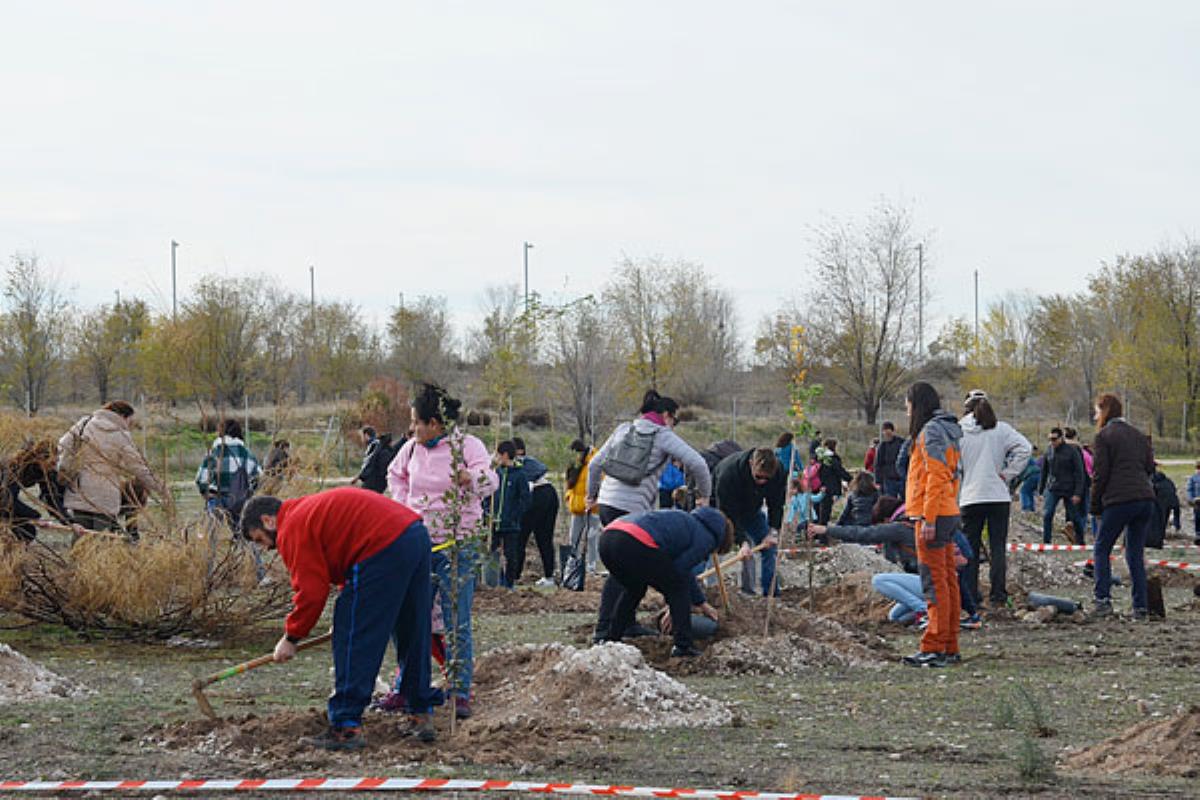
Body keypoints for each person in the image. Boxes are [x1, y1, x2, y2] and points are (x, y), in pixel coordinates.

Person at [240, 488, 436, 748]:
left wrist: (291, 637)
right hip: (413, 534)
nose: (267, 548)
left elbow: (312, 592)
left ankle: (346, 726)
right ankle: (420, 713)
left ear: (268, 520)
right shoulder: (307, 510)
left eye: (260, 539)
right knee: (411, 628)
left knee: (353, 637)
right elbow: (347, 555)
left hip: (382, 545)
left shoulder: (291, 528)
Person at [387, 383, 498, 719]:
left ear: (434, 423)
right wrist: (405, 508)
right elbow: (395, 477)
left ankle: (460, 691)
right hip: (419, 543)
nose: (412, 429)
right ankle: (407, 687)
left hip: (457, 545)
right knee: (411, 617)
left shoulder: (467, 446)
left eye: (416, 422)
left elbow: (490, 481)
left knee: (455, 620)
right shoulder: (411, 449)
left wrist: (470, 477)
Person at [586, 390, 712, 641]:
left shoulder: (623, 430)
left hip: (608, 503)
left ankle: (624, 624)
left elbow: (594, 464)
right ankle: (605, 628)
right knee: (622, 572)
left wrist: (592, 495)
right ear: (666, 415)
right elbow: (698, 463)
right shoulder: (662, 435)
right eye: (674, 420)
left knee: (627, 571)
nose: (673, 425)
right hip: (632, 511)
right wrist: (705, 497)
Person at [810, 497, 976, 629]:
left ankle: (926, 611)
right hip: (944, 583)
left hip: (935, 583)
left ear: (885, 519)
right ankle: (933, 611)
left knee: (879, 580)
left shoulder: (899, 528)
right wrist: (971, 609)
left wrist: (826, 530)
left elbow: (862, 533)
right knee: (895, 617)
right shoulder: (919, 521)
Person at [595, 506, 732, 657]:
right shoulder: (707, 537)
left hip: (609, 537)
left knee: (634, 588)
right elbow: (681, 572)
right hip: (634, 541)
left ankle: (612, 638)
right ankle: (683, 646)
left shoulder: (686, 521)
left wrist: (701, 603)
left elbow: (683, 571)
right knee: (679, 589)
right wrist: (674, 606)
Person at [902, 381, 963, 668]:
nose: (906, 410)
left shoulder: (930, 432)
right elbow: (953, 474)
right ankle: (949, 644)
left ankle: (934, 646)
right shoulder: (948, 430)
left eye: (907, 404)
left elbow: (936, 475)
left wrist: (928, 516)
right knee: (947, 580)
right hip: (947, 511)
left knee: (935, 583)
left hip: (934, 515)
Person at [958, 390, 1031, 611]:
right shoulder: (1001, 429)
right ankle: (998, 595)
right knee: (997, 547)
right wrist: (1008, 473)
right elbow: (1025, 448)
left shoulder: (959, 431)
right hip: (998, 495)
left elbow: (954, 466)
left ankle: (972, 597)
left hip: (970, 496)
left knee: (970, 549)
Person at [1088, 393, 1155, 619]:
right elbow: (1149, 467)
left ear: (1104, 411)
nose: (1095, 416)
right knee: (1135, 554)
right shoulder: (1139, 435)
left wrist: (1095, 506)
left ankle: (1103, 601)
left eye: (1096, 411)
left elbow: (1100, 474)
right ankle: (1140, 607)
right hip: (1145, 499)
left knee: (1101, 549)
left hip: (1119, 500)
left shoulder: (1104, 436)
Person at [57, 401, 163, 534]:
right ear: (123, 416)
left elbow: (63, 444)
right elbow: (137, 467)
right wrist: (160, 487)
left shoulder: (84, 424)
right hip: (105, 494)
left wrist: (68, 465)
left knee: (81, 537)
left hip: (79, 489)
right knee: (103, 537)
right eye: (130, 420)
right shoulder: (121, 435)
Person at [713, 448, 786, 597]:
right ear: (751, 463)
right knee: (714, 548)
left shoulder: (778, 472)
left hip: (752, 511)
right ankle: (709, 590)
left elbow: (776, 504)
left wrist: (773, 531)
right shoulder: (729, 473)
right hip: (722, 511)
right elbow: (727, 512)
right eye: (758, 477)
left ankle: (771, 595)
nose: (762, 481)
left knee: (770, 548)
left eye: (767, 479)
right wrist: (742, 541)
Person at [511, 437, 559, 588]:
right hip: (550, 492)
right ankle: (549, 576)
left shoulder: (517, 464)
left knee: (520, 536)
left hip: (537, 496)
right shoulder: (532, 462)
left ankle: (514, 576)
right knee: (545, 537)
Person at [196, 419, 263, 524]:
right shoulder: (247, 454)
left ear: (220, 433)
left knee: (214, 531)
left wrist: (206, 494)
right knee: (239, 531)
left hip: (216, 502)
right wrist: (249, 493)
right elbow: (259, 478)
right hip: (240, 503)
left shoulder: (213, 453)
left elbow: (201, 480)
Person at [1, 440, 66, 542]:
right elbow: (7, 499)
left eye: (56, 462)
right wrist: (34, 516)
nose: (54, 467)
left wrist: (69, 521)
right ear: (40, 459)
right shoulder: (15, 466)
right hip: (3, 498)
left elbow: (51, 499)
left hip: (5, 500)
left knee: (27, 533)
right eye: (52, 463)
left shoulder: (45, 470)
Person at [487, 440, 531, 587]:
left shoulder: (520, 475)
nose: (496, 458)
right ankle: (494, 582)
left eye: (498, 455)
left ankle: (509, 583)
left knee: (511, 555)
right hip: (494, 522)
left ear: (505, 455)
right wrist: (488, 512)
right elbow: (488, 494)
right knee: (491, 552)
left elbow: (525, 499)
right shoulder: (496, 473)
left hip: (511, 524)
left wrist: (515, 515)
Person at [1037, 427, 1087, 545]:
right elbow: (1044, 471)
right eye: (1050, 439)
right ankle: (1046, 542)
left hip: (1070, 489)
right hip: (1053, 488)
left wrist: (1078, 493)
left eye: (1054, 439)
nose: (1052, 442)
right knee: (1047, 514)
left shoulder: (1072, 451)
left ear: (1061, 438)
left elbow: (1079, 472)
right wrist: (1040, 490)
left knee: (1075, 517)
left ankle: (1080, 541)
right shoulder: (1049, 451)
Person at [564, 439, 600, 573]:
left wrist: (595, 500)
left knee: (591, 537)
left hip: (592, 508)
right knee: (574, 538)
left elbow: (600, 482)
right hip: (576, 508)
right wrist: (569, 497)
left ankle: (592, 566)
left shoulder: (594, 462)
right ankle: (572, 565)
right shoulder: (573, 465)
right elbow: (569, 485)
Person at [814, 439, 852, 524]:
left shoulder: (819, 457)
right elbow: (839, 471)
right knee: (826, 510)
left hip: (818, 485)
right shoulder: (832, 459)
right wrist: (850, 479)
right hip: (829, 486)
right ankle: (822, 529)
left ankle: (817, 526)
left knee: (819, 509)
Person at [352, 426, 392, 494]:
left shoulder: (374, 446)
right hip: (376, 480)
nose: (361, 439)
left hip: (374, 480)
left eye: (362, 436)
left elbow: (369, 462)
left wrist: (359, 476)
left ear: (366, 435)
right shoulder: (376, 445)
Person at [1149, 468, 1181, 549]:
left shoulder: (1155, 483)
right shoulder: (1169, 481)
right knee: (1165, 520)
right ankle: (1175, 527)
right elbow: (1174, 490)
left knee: (1158, 521)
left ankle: (1157, 540)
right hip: (1173, 501)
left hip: (1161, 503)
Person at [875, 422, 906, 498]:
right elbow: (878, 464)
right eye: (885, 433)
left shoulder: (901, 443)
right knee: (890, 500)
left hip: (901, 477)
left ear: (892, 431)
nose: (887, 435)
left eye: (888, 432)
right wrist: (878, 481)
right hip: (888, 479)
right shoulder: (882, 446)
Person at [1017, 446, 1042, 513]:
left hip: (1031, 476)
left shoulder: (1022, 458)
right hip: (1038, 475)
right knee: (1029, 491)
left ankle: (1025, 508)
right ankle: (1031, 509)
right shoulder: (1031, 458)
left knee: (1023, 491)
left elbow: (1018, 475)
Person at [1187, 461, 1200, 546]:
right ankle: (1198, 535)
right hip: (1197, 502)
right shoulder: (1193, 478)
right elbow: (1190, 489)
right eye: (1198, 468)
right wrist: (1191, 499)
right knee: (1197, 518)